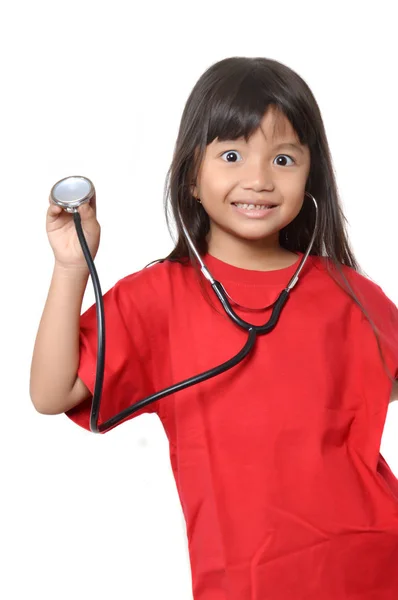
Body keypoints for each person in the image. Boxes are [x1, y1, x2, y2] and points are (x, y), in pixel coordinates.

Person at [30, 56, 398, 599]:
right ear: (192, 179)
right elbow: (51, 392)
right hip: (243, 583)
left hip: (374, 567)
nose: (259, 179)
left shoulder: (350, 293)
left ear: (309, 176)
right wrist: (71, 267)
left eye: (283, 158)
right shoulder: (156, 298)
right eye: (231, 155)